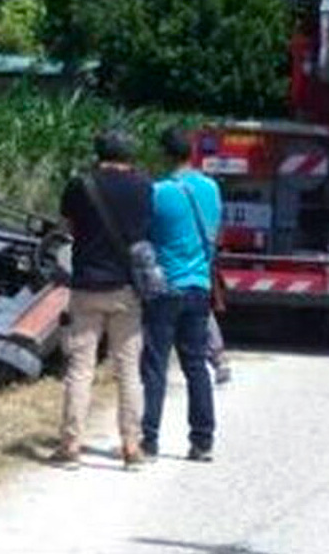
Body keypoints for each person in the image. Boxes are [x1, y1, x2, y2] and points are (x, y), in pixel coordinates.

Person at [52, 130, 152, 471]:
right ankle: (131, 446)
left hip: (86, 286)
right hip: (126, 289)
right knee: (128, 370)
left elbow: (65, 227)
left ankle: (71, 445)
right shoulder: (143, 186)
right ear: (130, 155)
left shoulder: (80, 185)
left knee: (80, 370)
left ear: (98, 154)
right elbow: (145, 229)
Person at [141, 127, 222, 462]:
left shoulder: (158, 193)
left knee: (156, 365)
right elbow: (215, 233)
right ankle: (202, 441)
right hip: (199, 286)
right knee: (196, 365)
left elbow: (146, 236)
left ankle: (150, 440)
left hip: (165, 288)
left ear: (164, 154)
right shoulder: (212, 188)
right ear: (191, 153)